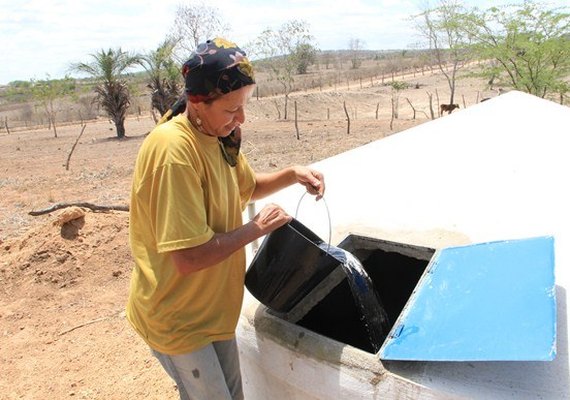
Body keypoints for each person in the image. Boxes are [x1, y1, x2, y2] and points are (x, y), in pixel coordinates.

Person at [126, 38, 325, 400]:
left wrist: (292, 174)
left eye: (244, 106)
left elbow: (246, 188)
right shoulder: (174, 152)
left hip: (211, 309)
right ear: (198, 102)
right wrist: (255, 229)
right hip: (178, 317)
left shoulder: (217, 137)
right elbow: (188, 258)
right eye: (232, 109)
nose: (241, 119)